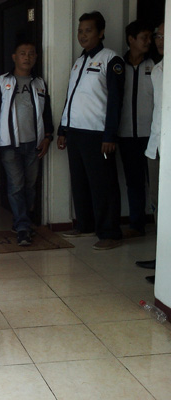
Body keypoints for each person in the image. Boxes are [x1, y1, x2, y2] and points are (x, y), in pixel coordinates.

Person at [57, 11, 125, 250]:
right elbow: (72, 97)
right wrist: (62, 129)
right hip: (75, 132)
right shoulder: (79, 61)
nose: (82, 35)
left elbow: (116, 102)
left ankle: (110, 233)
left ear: (101, 32)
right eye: (80, 31)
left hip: (97, 134)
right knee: (80, 182)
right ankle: (85, 224)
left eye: (88, 30)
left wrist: (110, 135)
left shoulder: (111, 60)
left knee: (103, 185)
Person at [0, 39, 54, 246]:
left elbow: (47, 113)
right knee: (16, 186)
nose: (27, 57)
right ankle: (23, 227)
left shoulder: (39, 83)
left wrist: (48, 137)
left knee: (30, 186)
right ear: (15, 57)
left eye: (31, 53)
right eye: (23, 53)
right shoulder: (1, 82)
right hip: (9, 144)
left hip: (34, 144)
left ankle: (21, 221)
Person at [118, 21, 154, 239]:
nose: (148, 42)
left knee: (157, 182)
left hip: (151, 135)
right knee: (134, 181)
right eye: (144, 37)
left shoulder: (155, 65)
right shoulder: (118, 66)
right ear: (131, 39)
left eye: (151, 37)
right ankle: (137, 224)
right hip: (126, 135)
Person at [138, 21, 165, 283]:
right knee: (157, 204)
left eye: (164, 36)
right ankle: (161, 257)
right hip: (155, 146)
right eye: (157, 35)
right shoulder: (157, 69)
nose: (159, 40)